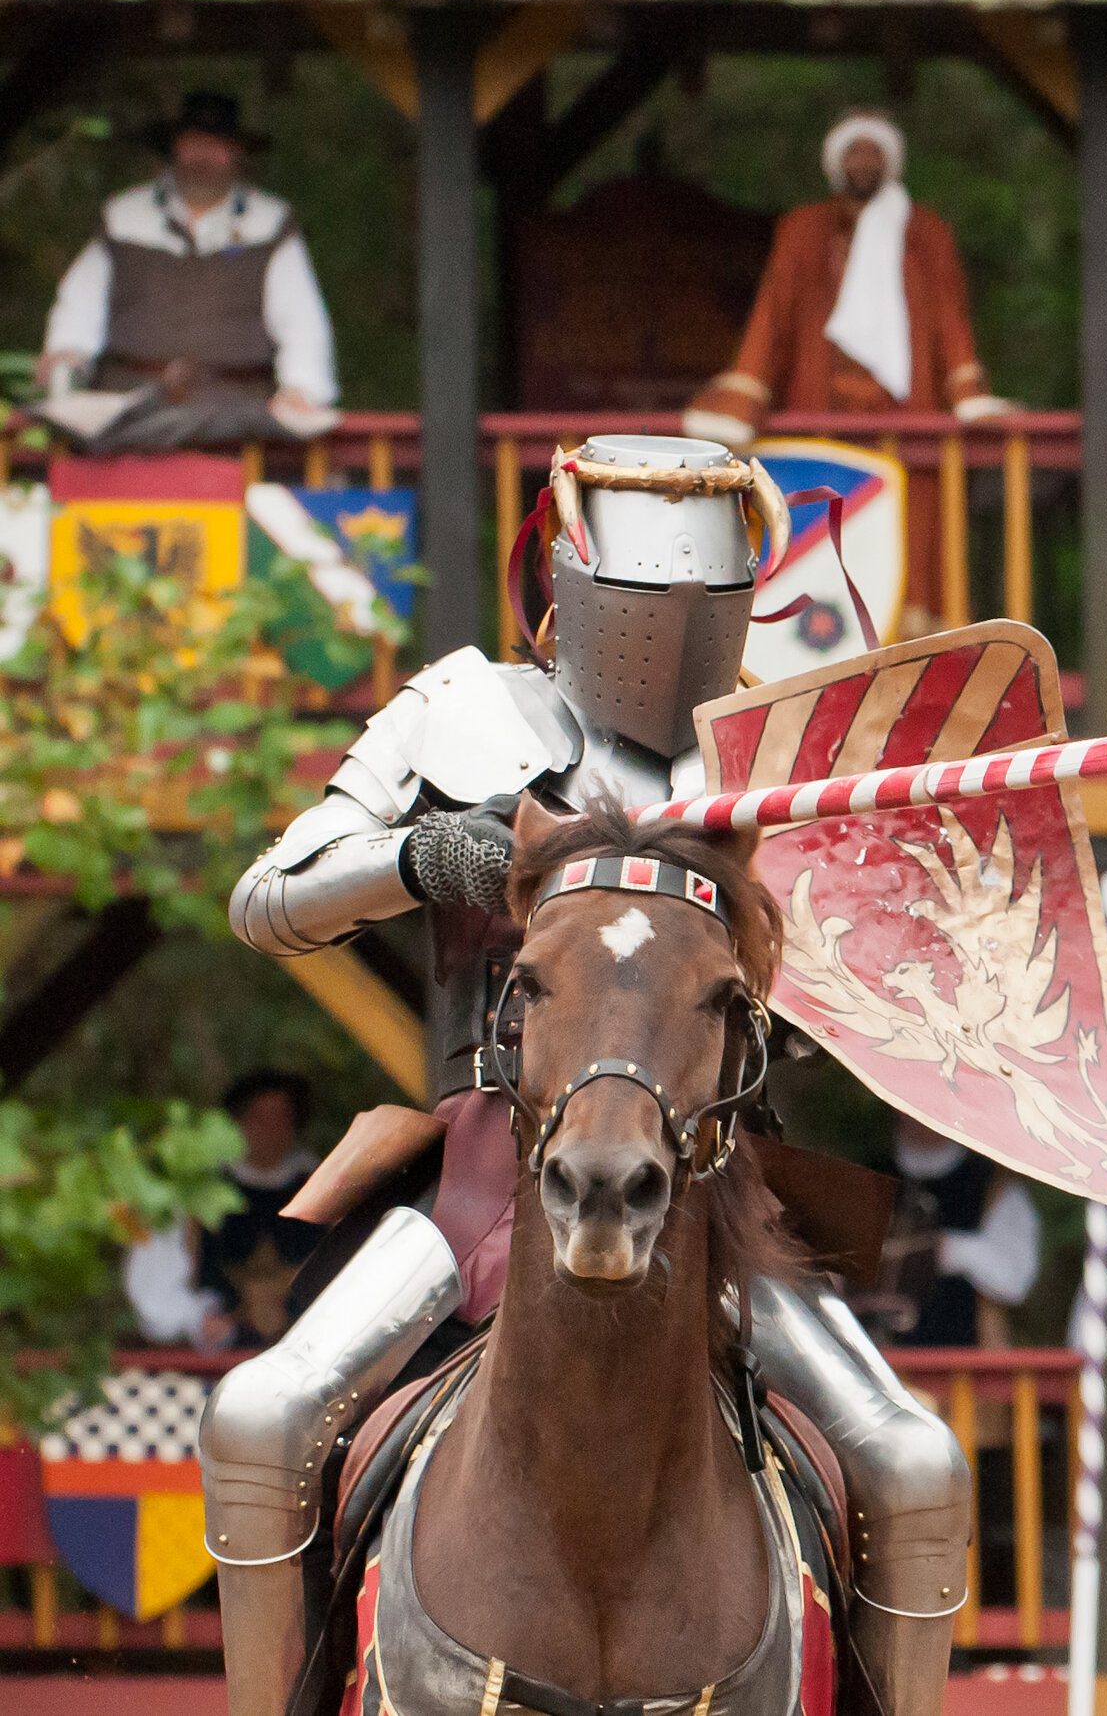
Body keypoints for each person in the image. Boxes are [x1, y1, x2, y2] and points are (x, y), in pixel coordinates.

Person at [211, 435, 967, 1716]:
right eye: (646, 596)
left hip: (716, 1188)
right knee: (263, 1416)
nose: (668, 631)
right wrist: (415, 861)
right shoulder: (464, 711)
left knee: (911, 1459)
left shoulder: (777, 750)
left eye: (701, 602)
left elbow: (898, 955)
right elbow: (263, 900)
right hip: (480, 1180)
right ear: (568, 579)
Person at [685, 109, 1006, 632]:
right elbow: (774, 316)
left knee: (913, 538)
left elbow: (950, 320)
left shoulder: (925, 233)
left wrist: (967, 392)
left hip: (908, 419)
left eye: (874, 151)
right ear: (836, 162)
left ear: (891, 162)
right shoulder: (804, 230)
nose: (863, 161)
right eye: (854, 151)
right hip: (822, 417)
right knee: (820, 532)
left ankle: (912, 646)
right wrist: (742, 400)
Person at [39, 91, 337, 451]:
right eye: (194, 144)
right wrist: (65, 359)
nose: (203, 157)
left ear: (237, 153)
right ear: (175, 149)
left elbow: (300, 321)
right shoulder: (124, 217)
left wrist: (301, 389)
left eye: (215, 146)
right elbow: (79, 307)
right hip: (128, 417)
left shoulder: (269, 223)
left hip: (235, 420)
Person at [877, 1112, 1040, 1348]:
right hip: (878, 1360)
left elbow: (1015, 1281)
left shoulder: (993, 1187)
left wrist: (948, 1249)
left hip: (965, 1367)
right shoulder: (872, 1175)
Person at [192, 1071, 326, 1349]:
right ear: (237, 1124)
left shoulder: (321, 1184)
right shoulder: (206, 1191)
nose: (270, 1129)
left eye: (281, 1118)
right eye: (259, 1119)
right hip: (219, 1352)